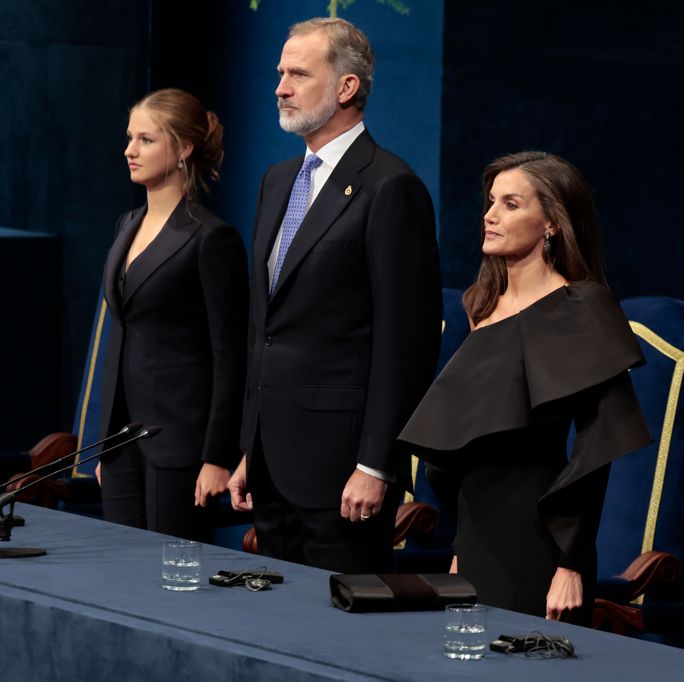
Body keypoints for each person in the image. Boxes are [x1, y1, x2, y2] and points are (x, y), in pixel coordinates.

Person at [399, 151, 651, 622]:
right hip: (476, 534)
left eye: (511, 204)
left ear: (552, 222)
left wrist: (570, 562)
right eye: (491, 202)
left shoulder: (582, 306)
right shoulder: (481, 306)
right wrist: (459, 543)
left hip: (538, 539)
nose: (490, 216)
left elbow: (599, 445)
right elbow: (466, 436)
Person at [228, 18, 441, 573]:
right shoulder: (277, 180)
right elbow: (266, 328)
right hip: (273, 462)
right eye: (280, 73)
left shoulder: (390, 187)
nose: (280, 86)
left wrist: (377, 464)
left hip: (343, 471)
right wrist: (252, 445)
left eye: (298, 73)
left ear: (347, 87)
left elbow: (406, 345)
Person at [97, 88, 248, 542]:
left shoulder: (211, 238)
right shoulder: (126, 224)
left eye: (145, 139)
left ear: (183, 148)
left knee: (171, 582)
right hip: (121, 443)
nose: (129, 150)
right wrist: (105, 444)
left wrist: (218, 456)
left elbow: (231, 354)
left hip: (182, 447)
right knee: (122, 579)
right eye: (129, 138)